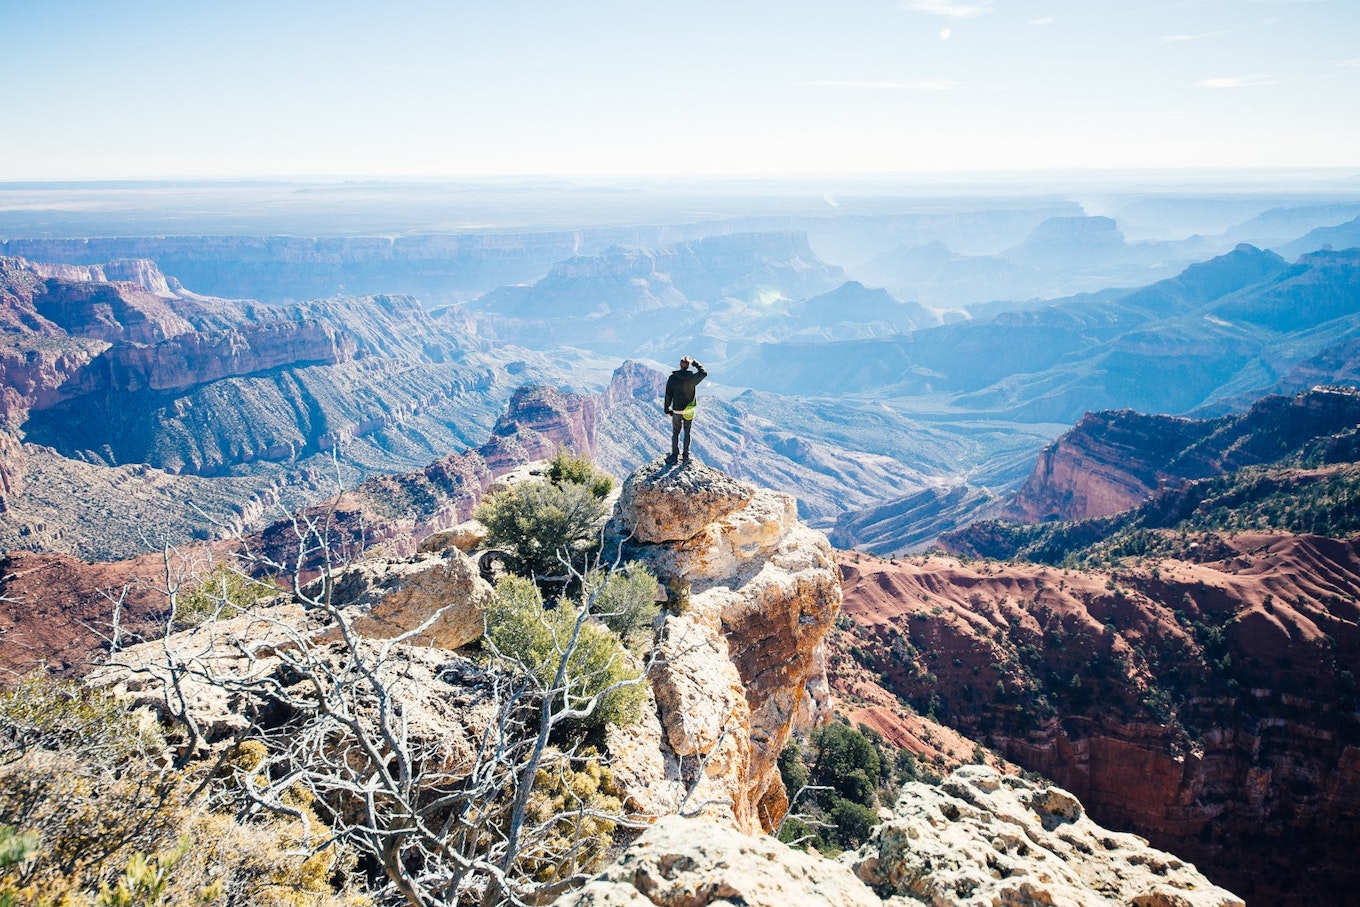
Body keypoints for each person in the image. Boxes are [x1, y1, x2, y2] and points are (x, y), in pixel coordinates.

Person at [663, 355, 707, 462]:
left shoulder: (672, 378)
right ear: (688, 366)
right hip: (689, 411)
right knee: (687, 432)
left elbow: (668, 395)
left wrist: (666, 408)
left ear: (680, 365)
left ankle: (674, 455)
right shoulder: (692, 378)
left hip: (677, 410)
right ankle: (685, 455)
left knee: (675, 432)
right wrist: (695, 363)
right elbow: (704, 373)